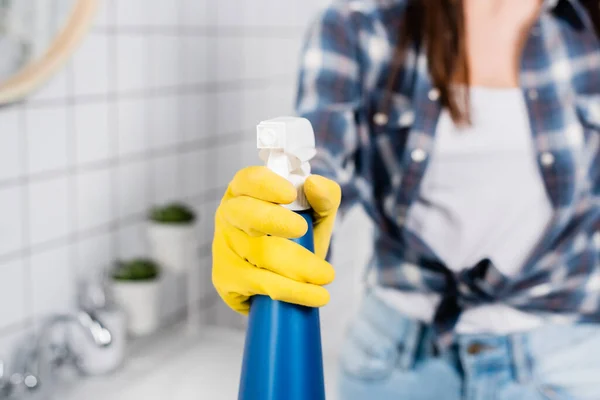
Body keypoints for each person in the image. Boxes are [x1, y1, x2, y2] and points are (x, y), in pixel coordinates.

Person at [212, 0, 600, 398]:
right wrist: (276, 223)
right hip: (395, 361)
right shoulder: (360, 28)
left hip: (565, 360)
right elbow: (317, 164)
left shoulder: (587, 30)